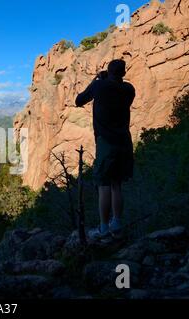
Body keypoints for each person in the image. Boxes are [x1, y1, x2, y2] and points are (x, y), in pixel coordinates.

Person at [75, 59, 136, 240]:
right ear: (123, 73)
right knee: (117, 184)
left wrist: (96, 80)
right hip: (124, 141)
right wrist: (107, 79)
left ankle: (103, 228)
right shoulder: (129, 89)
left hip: (106, 142)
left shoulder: (100, 87)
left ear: (108, 72)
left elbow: (79, 100)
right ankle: (116, 223)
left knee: (103, 184)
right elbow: (119, 89)